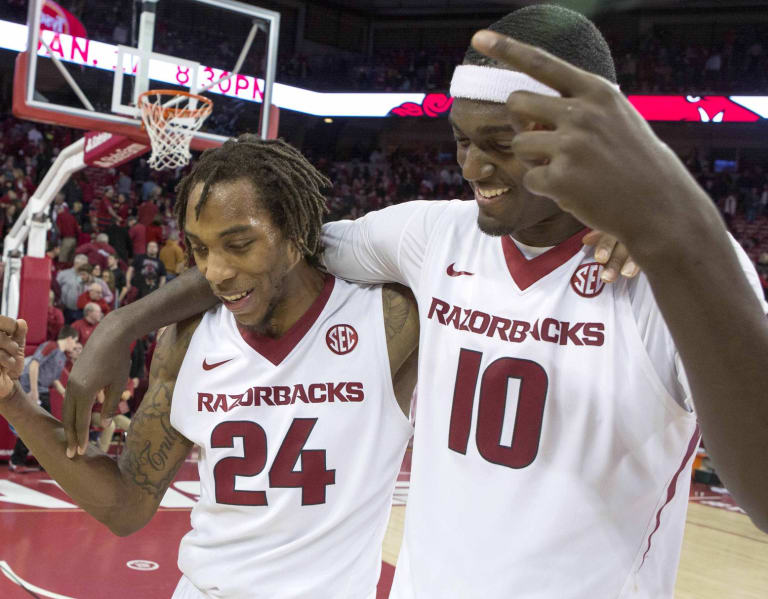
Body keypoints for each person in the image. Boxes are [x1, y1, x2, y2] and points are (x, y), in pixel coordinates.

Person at [62, 6, 768, 598]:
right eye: (462, 140)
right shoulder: (432, 235)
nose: (474, 167)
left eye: (502, 143)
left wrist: (673, 230)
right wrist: (124, 322)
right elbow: (276, 252)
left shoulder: (675, 266)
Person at [0, 137, 419, 599]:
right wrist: (12, 401)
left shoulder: (390, 321)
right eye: (199, 250)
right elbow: (126, 506)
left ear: (297, 234)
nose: (215, 271)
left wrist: (120, 323)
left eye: (239, 245)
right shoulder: (187, 340)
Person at [8, 325, 79, 471]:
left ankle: (35, 460)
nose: (75, 345)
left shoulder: (61, 355)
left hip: (43, 390)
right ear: (69, 338)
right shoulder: (51, 346)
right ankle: (17, 461)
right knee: (36, 427)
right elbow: (34, 365)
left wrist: (63, 392)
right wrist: (34, 392)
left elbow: (53, 378)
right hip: (33, 390)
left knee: (42, 428)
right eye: (75, 341)